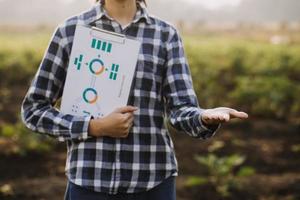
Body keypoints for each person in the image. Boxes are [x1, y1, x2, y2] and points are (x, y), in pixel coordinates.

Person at [21, 0, 248, 199]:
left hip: (153, 181)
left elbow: (181, 109)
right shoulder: (70, 31)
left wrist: (203, 116)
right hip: (90, 181)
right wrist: (94, 127)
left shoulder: (165, 34)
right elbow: (34, 109)